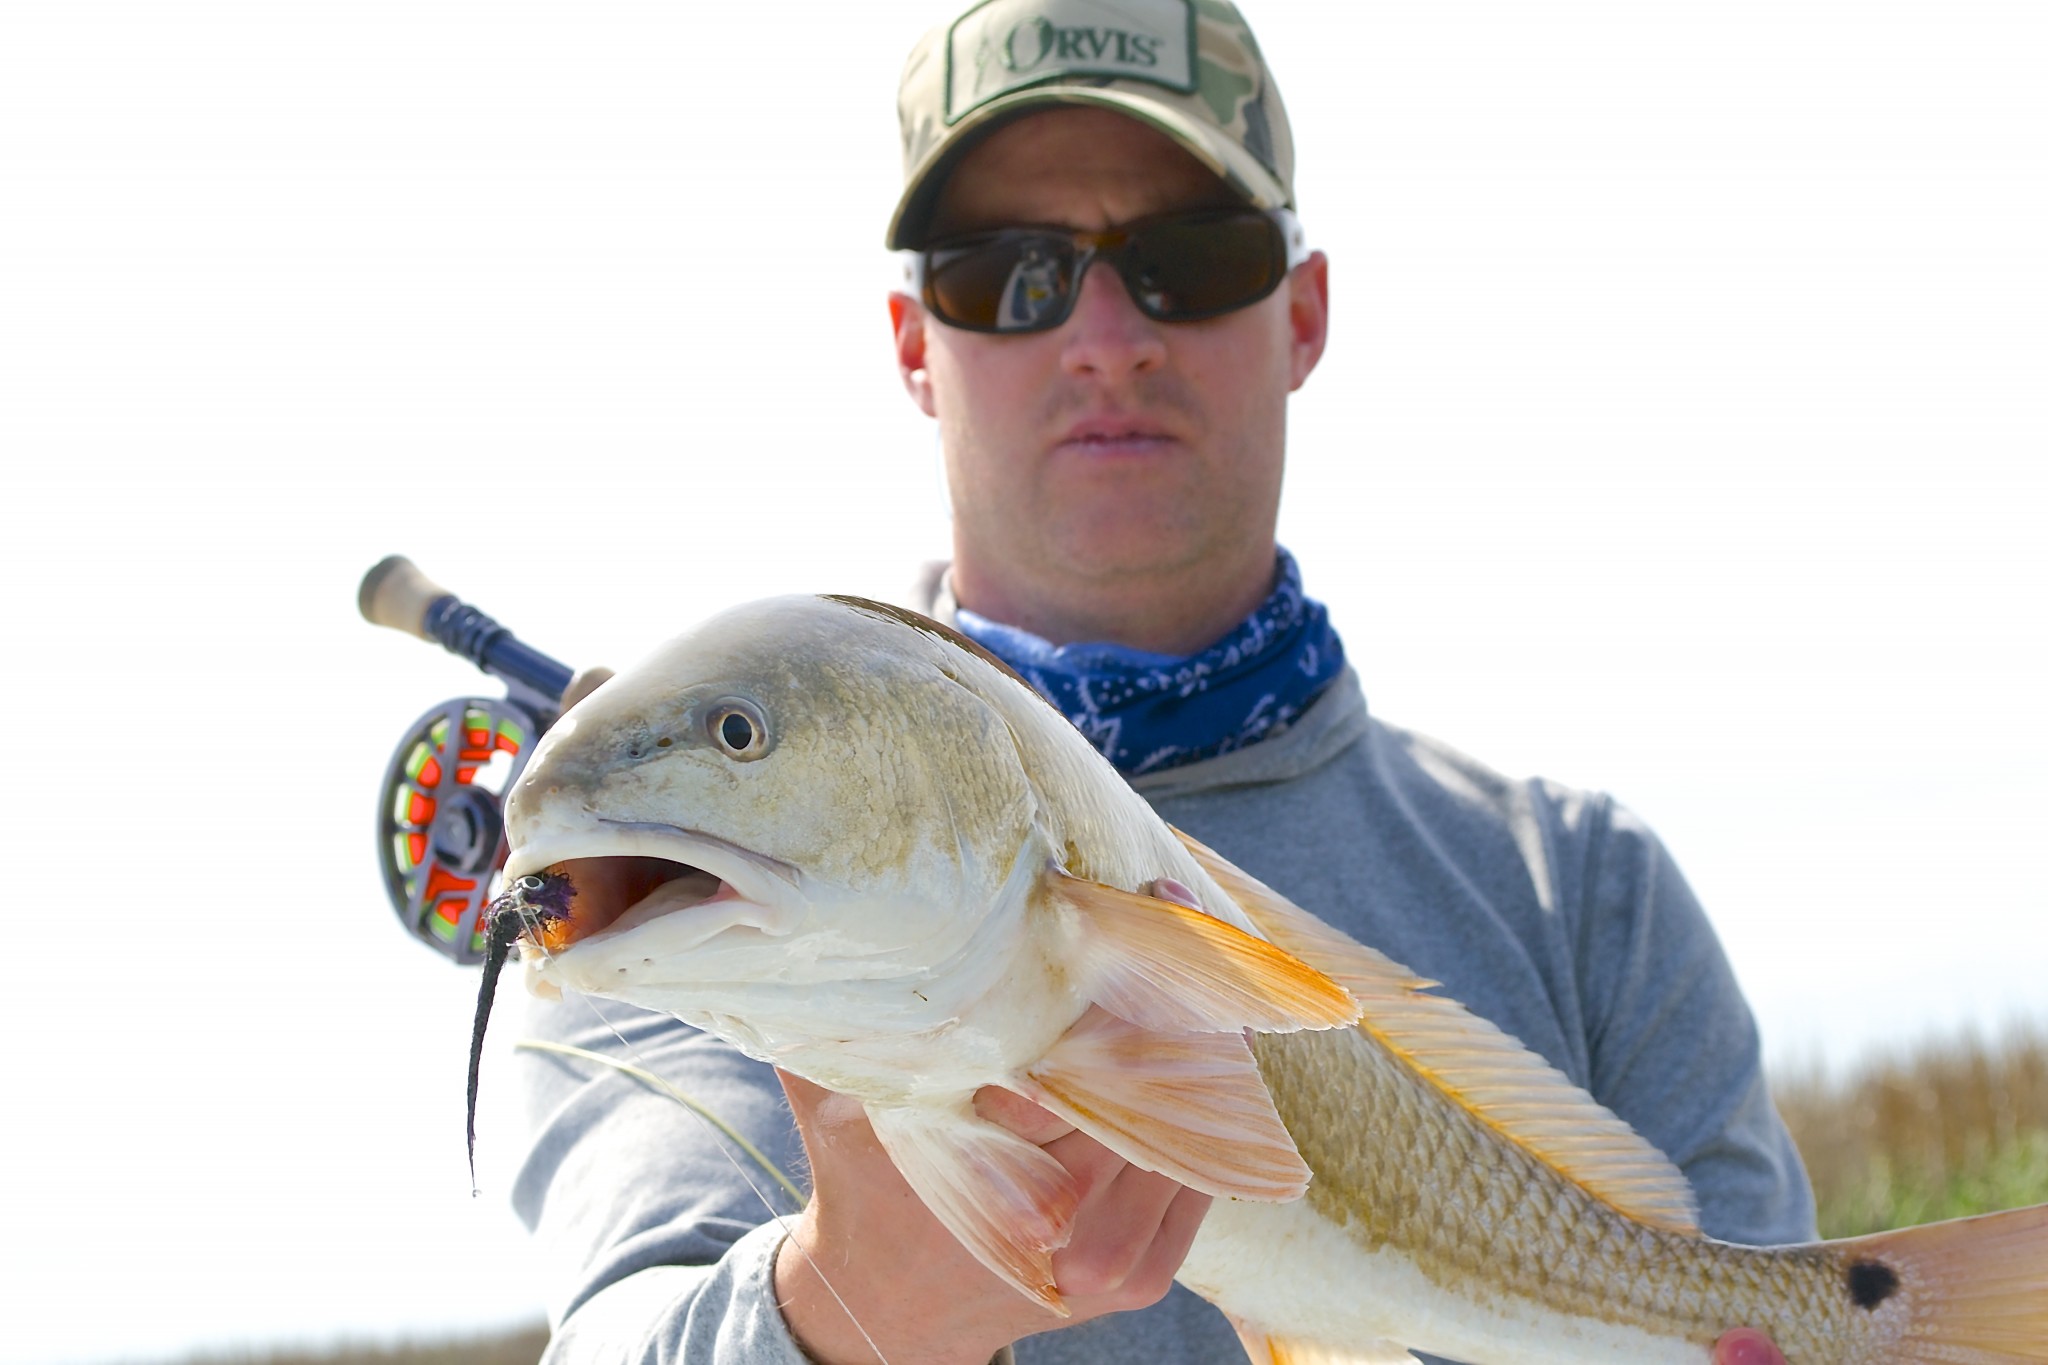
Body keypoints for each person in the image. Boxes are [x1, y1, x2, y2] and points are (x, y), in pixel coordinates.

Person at [506, 3, 1814, 1362]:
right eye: (1006, 273)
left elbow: (1755, 1300)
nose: (1107, 334)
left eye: (1190, 258)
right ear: (911, 342)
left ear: (1303, 312)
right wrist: (846, 1309)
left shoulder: (1585, 890)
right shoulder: (694, 883)